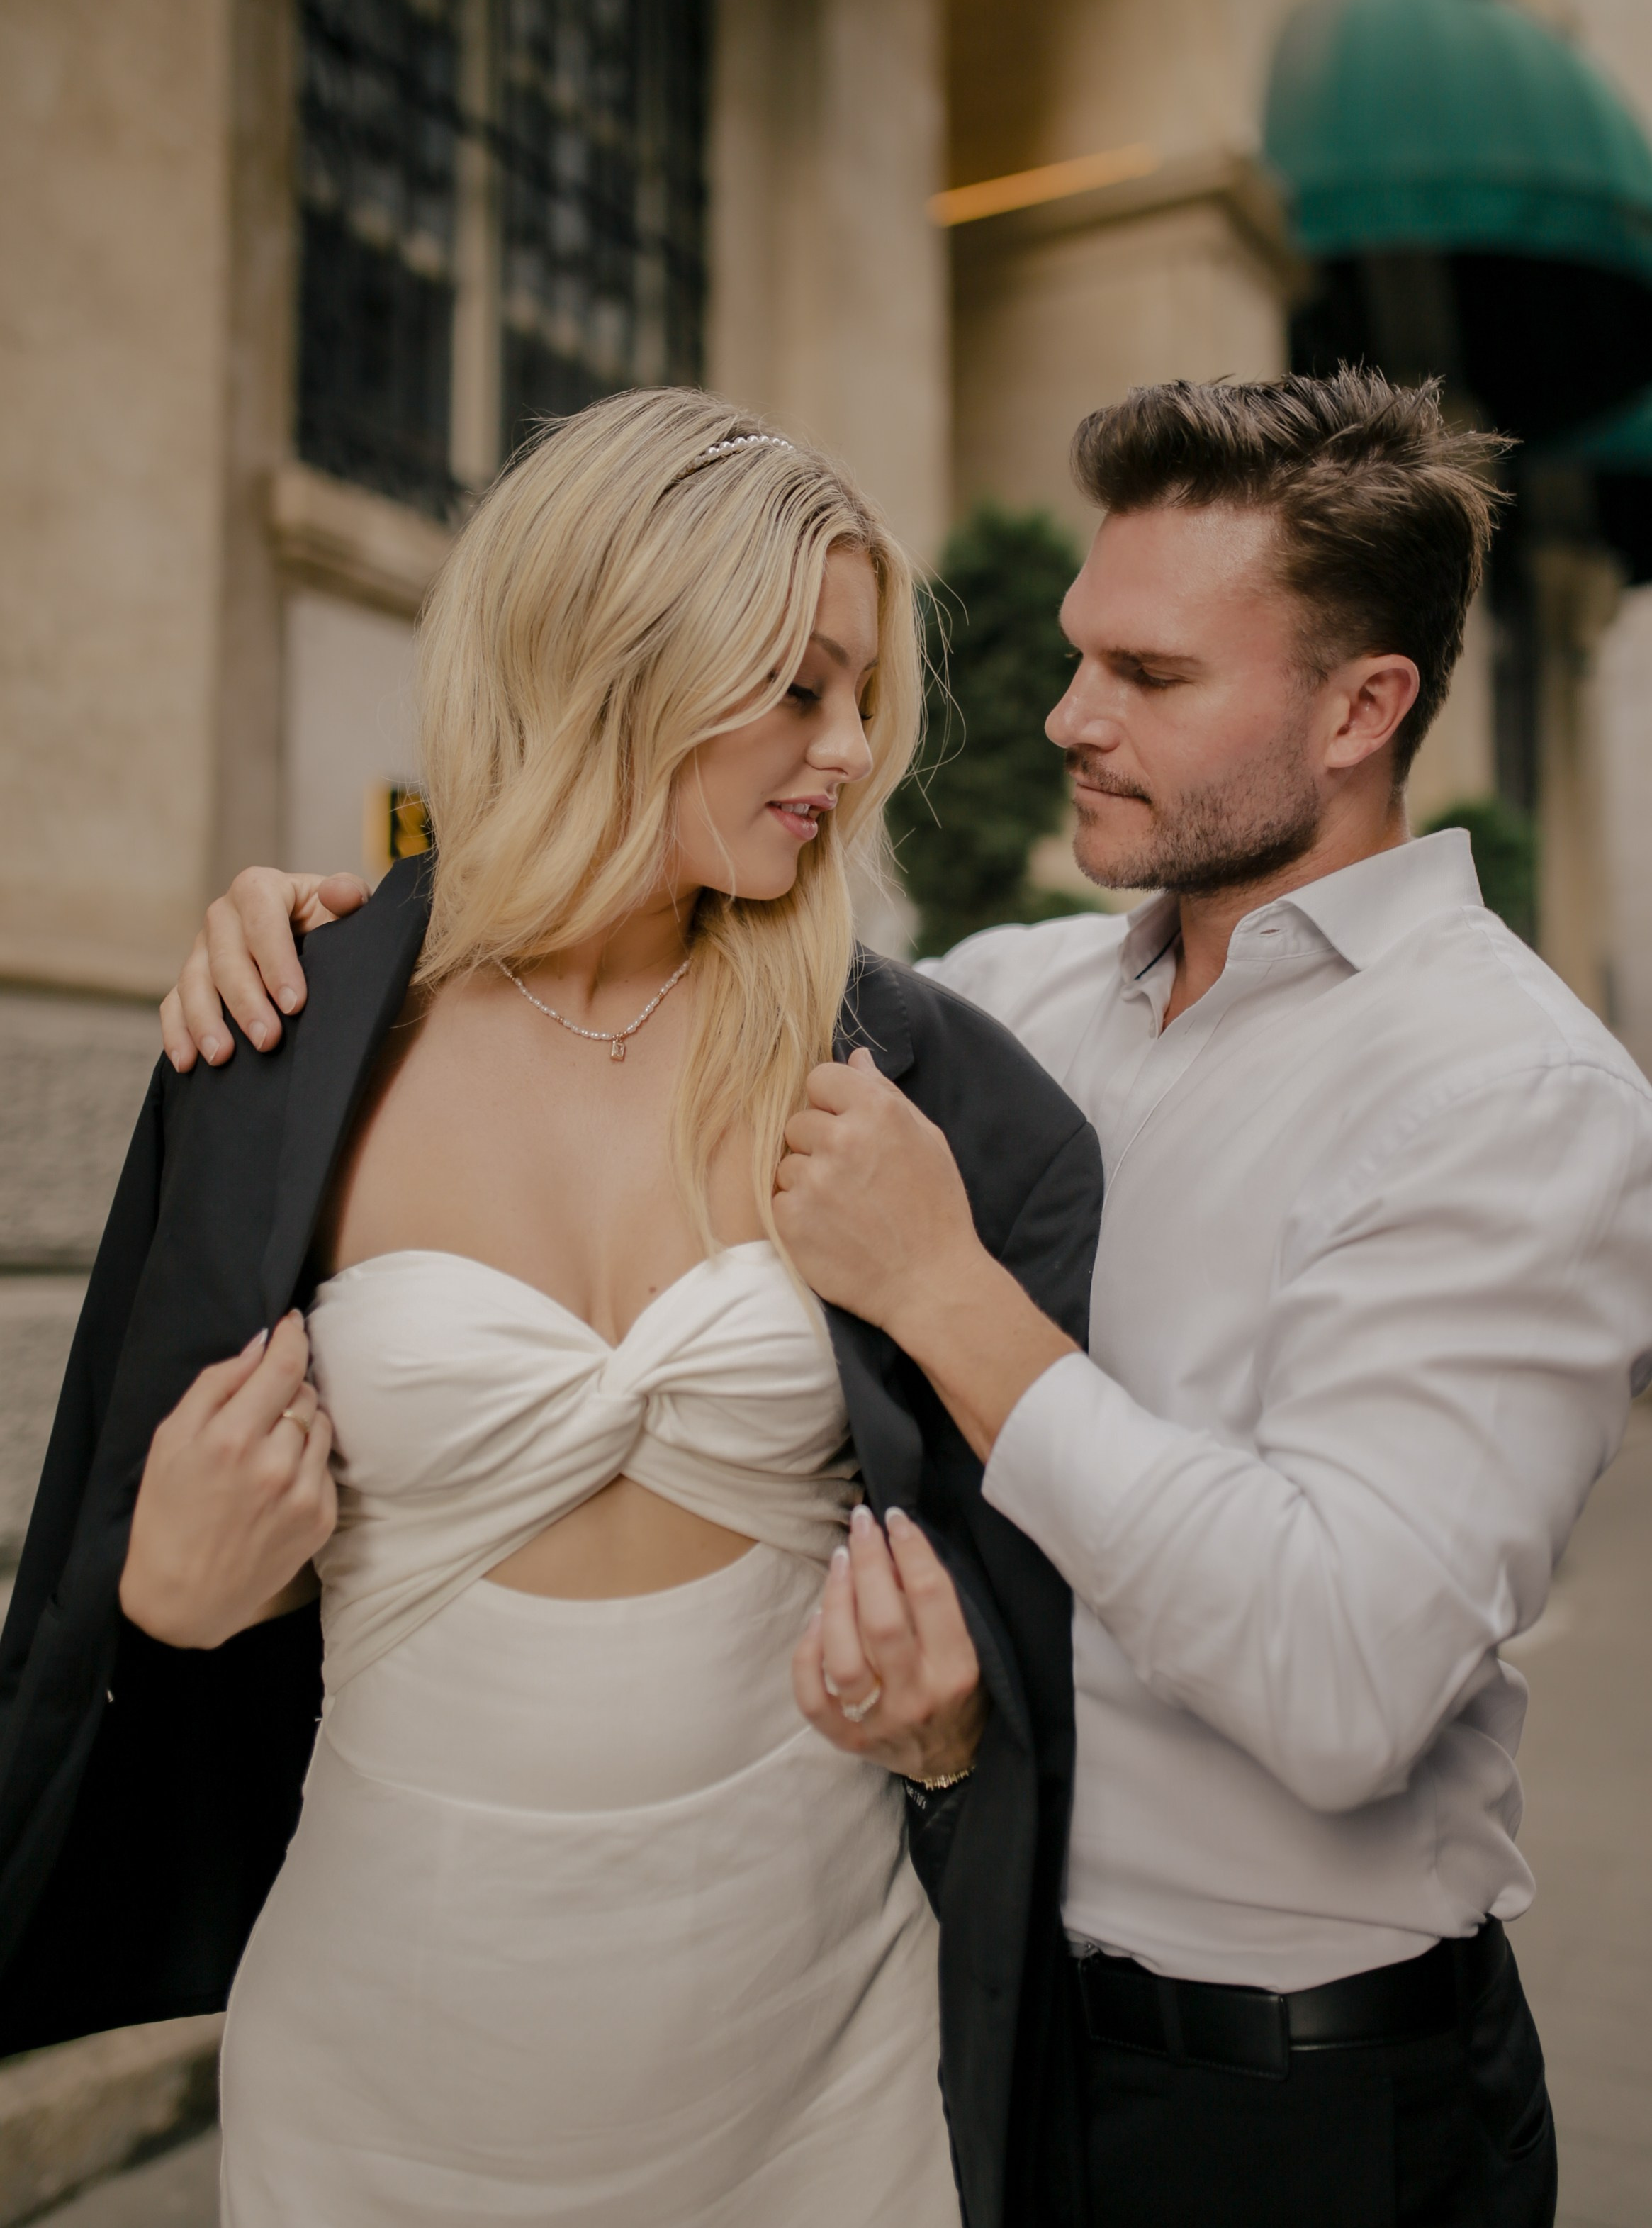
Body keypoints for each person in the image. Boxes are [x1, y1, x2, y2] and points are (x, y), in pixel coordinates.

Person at [175, 371, 1652, 2228]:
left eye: (1152, 677)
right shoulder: (1008, 1009)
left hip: (1294, 2095)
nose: (1062, 716)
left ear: (1363, 708)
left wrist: (947, 1291)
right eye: (1074, 653)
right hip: (969, 2015)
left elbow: (1341, 1676)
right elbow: (653, 960)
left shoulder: (1509, 1095)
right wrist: (334, 931)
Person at [0, 391, 1102, 2228]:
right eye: (800, 687)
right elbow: (103, 1567)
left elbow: (1054, 1556)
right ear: (621, 653)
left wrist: (961, 1704)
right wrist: (164, 1603)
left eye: (863, 701)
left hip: (817, 2052)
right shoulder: (287, 1036)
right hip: (385, 2066)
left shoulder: (913, 1083)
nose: (846, 753)